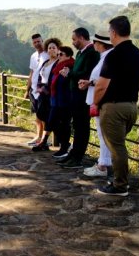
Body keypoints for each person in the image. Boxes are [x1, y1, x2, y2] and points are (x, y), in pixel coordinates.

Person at [94, 16, 139, 196]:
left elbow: (101, 85)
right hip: (131, 106)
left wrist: (95, 102)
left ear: (114, 33)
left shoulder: (114, 54)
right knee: (119, 145)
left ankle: (120, 185)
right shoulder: (137, 53)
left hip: (114, 107)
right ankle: (120, 179)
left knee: (117, 148)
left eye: (109, 32)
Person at [57, 27, 100, 168]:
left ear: (81, 38)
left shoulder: (92, 53)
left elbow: (87, 74)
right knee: (77, 125)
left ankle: (78, 157)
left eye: (74, 39)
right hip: (75, 95)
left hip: (83, 96)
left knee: (82, 126)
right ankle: (74, 153)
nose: (73, 42)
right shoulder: (81, 53)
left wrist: (69, 74)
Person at [78, 32, 113, 177]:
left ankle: (103, 166)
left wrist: (90, 83)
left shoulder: (108, 57)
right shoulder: (104, 57)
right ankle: (102, 163)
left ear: (101, 44)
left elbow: (104, 80)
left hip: (101, 101)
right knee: (102, 133)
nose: (94, 44)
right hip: (97, 99)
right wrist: (89, 83)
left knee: (103, 134)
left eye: (95, 42)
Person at [33, 45, 75, 154]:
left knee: (63, 124)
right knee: (51, 121)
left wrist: (69, 72)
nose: (58, 55)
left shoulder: (69, 66)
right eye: (59, 54)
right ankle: (59, 144)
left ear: (68, 56)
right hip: (55, 99)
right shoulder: (58, 66)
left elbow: (69, 80)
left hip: (65, 101)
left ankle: (64, 146)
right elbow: (50, 79)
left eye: (61, 54)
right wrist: (43, 88)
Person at [25, 34, 49, 145]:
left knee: (43, 115)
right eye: (35, 42)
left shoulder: (48, 54)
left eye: (38, 41)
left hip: (43, 90)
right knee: (37, 116)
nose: (37, 44)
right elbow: (31, 73)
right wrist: (27, 89)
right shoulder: (33, 56)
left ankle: (44, 139)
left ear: (42, 40)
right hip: (33, 90)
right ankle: (38, 137)